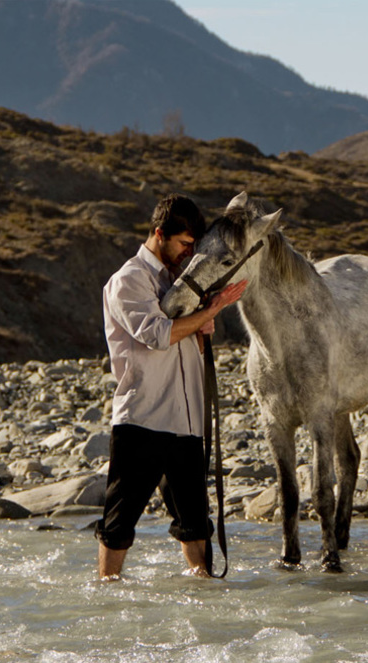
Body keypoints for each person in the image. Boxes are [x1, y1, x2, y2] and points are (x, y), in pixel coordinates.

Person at [97, 193, 247, 580]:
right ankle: (106, 598)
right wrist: (207, 314)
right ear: (160, 234)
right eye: (183, 244)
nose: (188, 253)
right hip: (142, 419)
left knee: (195, 523)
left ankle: (206, 600)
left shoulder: (178, 283)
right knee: (119, 524)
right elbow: (158, 335)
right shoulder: (128, 280)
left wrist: (202, 325)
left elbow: (188, 344)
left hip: (186, 421)